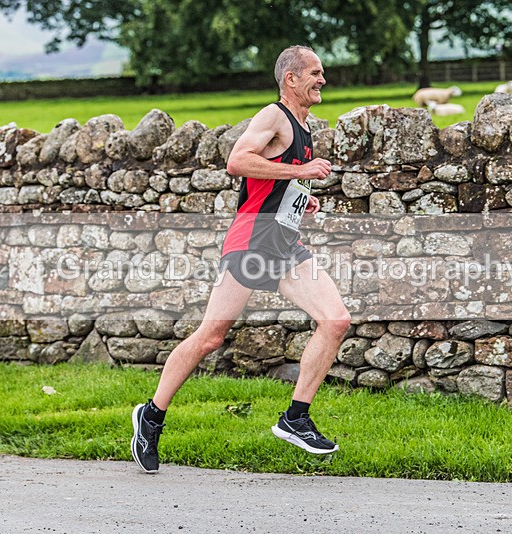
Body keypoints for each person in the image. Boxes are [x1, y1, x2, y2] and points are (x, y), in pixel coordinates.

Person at [131, 45, 352, 473]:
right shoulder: (273, 116)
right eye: (315, 72)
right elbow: (238, 162)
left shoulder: (305, 128)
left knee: (336, 320)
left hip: (284, 244)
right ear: (290, 78)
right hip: (251, 241)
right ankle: (151, 416)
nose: (322, 79)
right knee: (211, 337)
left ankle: (296, 417)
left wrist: (298, 199)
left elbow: (268, 179)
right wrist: (300, 174)